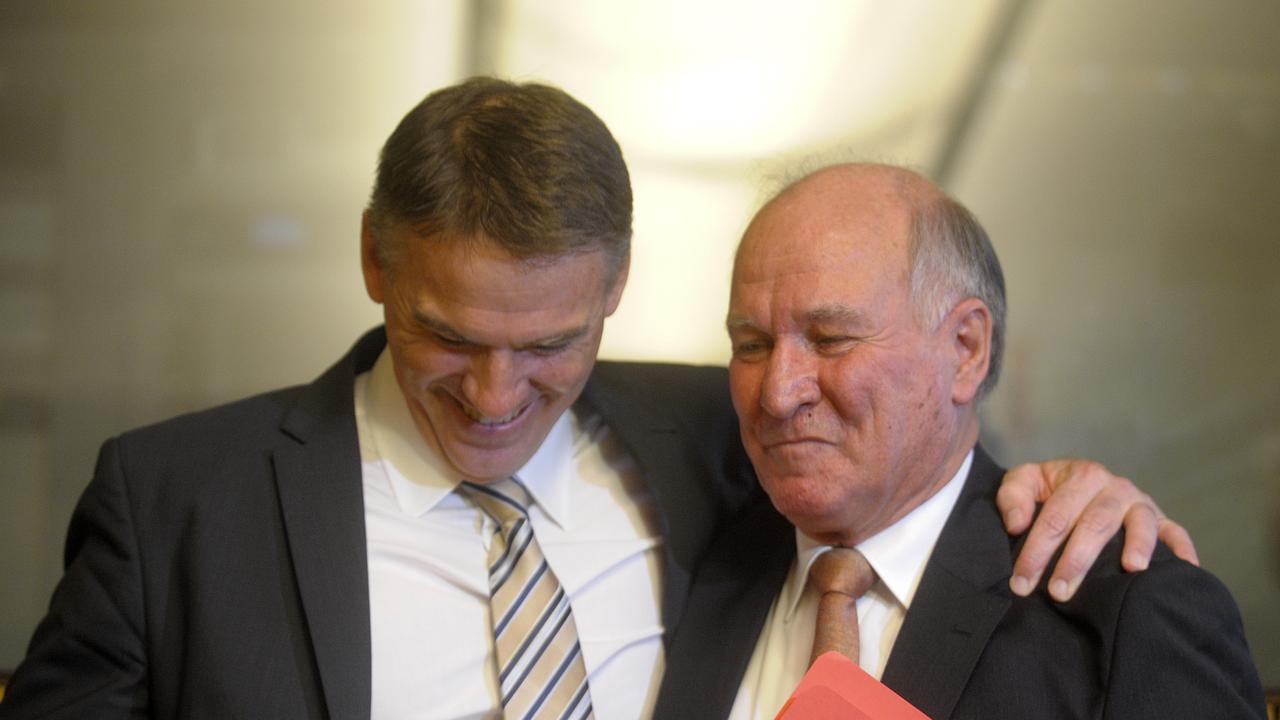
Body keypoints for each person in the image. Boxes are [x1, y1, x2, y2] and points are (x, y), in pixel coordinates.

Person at [0, 80, 1191, 720]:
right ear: (375, 262)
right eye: (444, 336)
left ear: (617, 287)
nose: (493, 394)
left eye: (551, 343)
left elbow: (904, 462)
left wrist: (1061, 485)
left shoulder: (725, 439)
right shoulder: (172, 506)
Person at [653, 163, 1266, 719]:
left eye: (832, 337)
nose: (779, 393)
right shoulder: (696, 563)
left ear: (965, 350)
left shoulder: (1126, 614)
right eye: (751, 346)